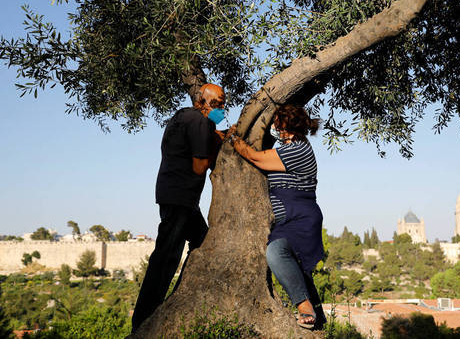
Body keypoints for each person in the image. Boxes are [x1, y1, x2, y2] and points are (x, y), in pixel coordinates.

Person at [131, 83, 226, 332]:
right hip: (181, 198)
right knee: (166, 257)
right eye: (216, 104)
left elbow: (199, 142)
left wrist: (219, 136)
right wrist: (220, 151)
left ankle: (181, 297)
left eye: (222, 103)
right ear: (200, 102)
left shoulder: (182, 117)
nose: (221, 109)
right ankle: (144, 321)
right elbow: (198, 166)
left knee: (203, 244)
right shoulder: (199, 122)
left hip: (175, 196)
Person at [229, 104, 326, 330]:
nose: (273, 127)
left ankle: (303, 305)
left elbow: (255, 157)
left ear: (285, 127)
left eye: (276, 123)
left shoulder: (298, 150)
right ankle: (319, 316)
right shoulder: (290, 146)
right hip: (290, 219)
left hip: (301, 219)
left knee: (276, 252)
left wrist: (234, 138)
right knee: (298, 268)